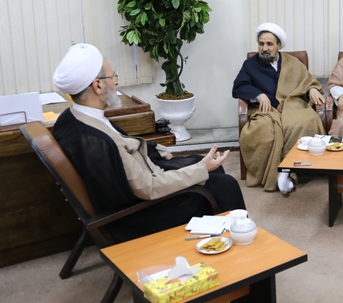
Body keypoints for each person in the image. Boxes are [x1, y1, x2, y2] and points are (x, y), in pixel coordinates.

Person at [51, 43, 245, 242]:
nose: (116, 82)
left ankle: (217, 238)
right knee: (225, 186)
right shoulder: (96, 142)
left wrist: (157, 150)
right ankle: (242, 249)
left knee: (211, 168)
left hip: (142, 184)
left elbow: (125, 145)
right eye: (113, 76)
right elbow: (147, 187)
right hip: (138, 216)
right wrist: (201, 168)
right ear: (98, 85)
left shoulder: (74, 117)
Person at [233, 23, 325, 193]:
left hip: (292, 106)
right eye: (261, 44)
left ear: (279, 45)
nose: (264, 48)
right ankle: (274, 175)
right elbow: (238, 87)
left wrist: (312, 89)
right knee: (263, 131)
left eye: (269, 44)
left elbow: (307, 81)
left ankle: (291, 172)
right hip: (265, 111)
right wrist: (258, 95)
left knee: (305, 122)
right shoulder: (250, 65)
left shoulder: (293, 62)